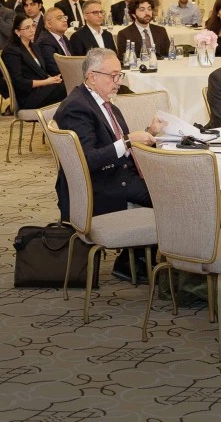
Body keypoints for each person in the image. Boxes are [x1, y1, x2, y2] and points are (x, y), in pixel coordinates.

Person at [52, 48, 159, 279]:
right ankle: (135, 261)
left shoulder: (104, 103)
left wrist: (149, 133)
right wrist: (128, 141)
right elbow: (88, 159)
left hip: (116, 174)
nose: (119, 82)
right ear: (92, 77)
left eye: (120, 75)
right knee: (170, 195)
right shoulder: (76, 108)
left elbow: (118, 146)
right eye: (113, 76)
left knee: (169, 185)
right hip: (98, 186)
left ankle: (137, 258)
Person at [1, 13, 65, 110]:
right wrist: (46, 82)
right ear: (17, 31)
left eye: (33, 26)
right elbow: (19, 82)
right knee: (68, 88)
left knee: (70, 85)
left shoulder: (34, 46)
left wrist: (52, 79)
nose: (32, 30)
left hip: (42, 89)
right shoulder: (12, 51)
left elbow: (41, 72)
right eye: (27, 28)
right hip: (28, 96)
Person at [36, 8, 75, 76]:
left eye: (65, 17)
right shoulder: (45, 42)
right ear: (49, 24)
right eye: (59, 18)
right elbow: (54, 70)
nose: (65, 20)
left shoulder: (64, 38)